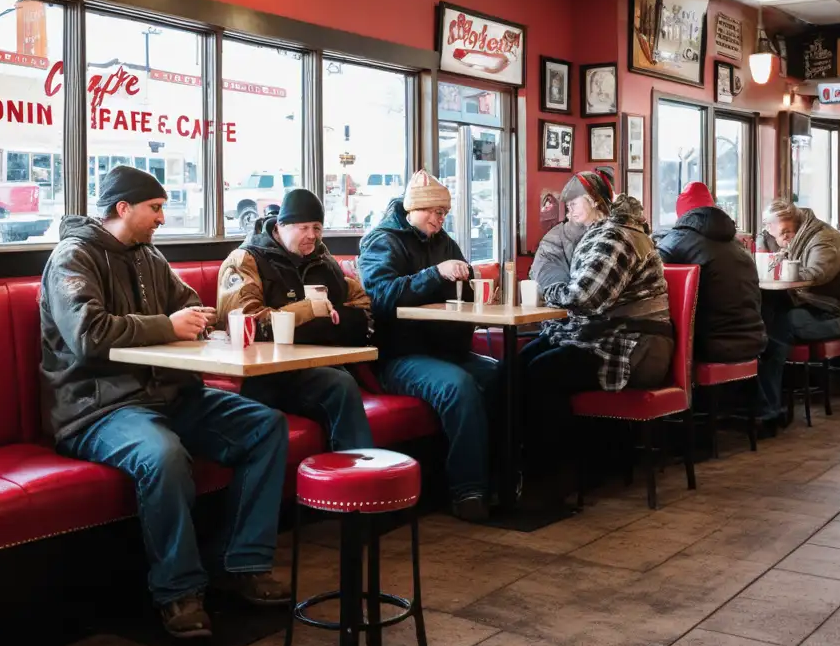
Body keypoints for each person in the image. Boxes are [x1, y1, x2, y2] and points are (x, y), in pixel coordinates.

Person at [40, 165, 290, 641]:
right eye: (155, 208)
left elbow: (190, 304)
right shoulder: (72, 258)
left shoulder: (147, 256)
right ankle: (179, 591)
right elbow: (88, 335)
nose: (161, 217)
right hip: (98, 408)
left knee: (266, 426)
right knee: (164, 455)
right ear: (123, 208)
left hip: (170, 396)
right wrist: (168, 326)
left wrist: (198, 320)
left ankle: (242, 564)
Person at [357, 170, 499, 522]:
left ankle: (505, 477)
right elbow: (381, 297)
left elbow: (461, 285)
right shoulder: (382, 241)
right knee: (458, 386)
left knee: (503, 375)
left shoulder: (444, 242)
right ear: (414, 209)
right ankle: (468, 491)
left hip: (446, 349)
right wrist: (435, 275)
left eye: (444, 212)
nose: (440, 218)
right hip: (399, 357)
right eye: (434, 211)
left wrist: (478, 290)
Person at [519, 194, 673, 499]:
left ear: (595, 203)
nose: (569, 209)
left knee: (542, 372)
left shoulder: (616, 237)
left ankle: (559, 475)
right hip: (622, 338)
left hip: (636, 347)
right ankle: (522, 470)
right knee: (521, 364)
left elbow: (586, 298)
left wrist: (549, 291)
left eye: (575, 201)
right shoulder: (620, 233)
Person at [216, 188, 374, 452]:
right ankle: (357, 481)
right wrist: (310, 311)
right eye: (303, 227)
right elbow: (244, 324)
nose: (312, 235)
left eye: (317, 227)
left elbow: (362, 312)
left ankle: (356, 480)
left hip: (319, 366)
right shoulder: (246, 260)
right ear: (280, 226)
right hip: (266, 376)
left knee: (342, 380)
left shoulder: (323, 260)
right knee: (340, 385)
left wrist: (313, 324)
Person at [755, 198, 840, 418]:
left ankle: (769, 409)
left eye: (782, 232)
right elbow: (762, 237)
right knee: (764, 322)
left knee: (778, 328)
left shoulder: (824, 239)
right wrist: (766, 246)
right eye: (773, 232)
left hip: (836, 313)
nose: (779, 238)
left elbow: (816, 274)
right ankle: (768, 404)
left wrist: (779, 263)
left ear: (790, 225)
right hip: (803, 306)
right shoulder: (781, 230)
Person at [655, 182, 767, 363]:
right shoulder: (738, 245)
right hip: (754, 340)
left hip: (710, 344)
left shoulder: (675, 241)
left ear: (682, 214)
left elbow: (650, 272)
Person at [531, 170, 613, 294]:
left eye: (574, 204)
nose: (571, 211)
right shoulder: (554, 240)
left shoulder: (615, 233)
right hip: (569, 304)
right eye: (569, 206)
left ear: (593, 201)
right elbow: (555, 286)